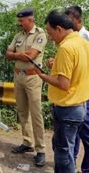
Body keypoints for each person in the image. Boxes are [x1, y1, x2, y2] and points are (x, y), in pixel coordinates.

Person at [35, 10, 89, 172]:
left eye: (50, 33)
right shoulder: (83, 43)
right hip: (80, 105)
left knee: (64, 154)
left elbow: (63, 83)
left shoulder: (66, 48)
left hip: (67, 108)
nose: (50, 38)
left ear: (58, 29)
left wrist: (42, 75)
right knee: (64, 149)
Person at [5, 8, 47, 166]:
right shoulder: (19, 35)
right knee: (22, 112)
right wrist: (18, 55)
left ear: (30, 20)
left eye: (22, 21)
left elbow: (31, 55)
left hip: (33, 77)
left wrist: (16, 55)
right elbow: (7, 54)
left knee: (36, 114)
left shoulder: (40, 34)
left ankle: (41, 149)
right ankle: (27, 142)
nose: (20, 23)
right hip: (19, 76)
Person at [65, 6, 89, 173]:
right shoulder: (71, 38)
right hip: (74, 92)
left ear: (76, 19)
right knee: (73, 135)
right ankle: (71, 166)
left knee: (85, 133)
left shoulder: (85, 38)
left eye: (68, 20)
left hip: (83, 93)